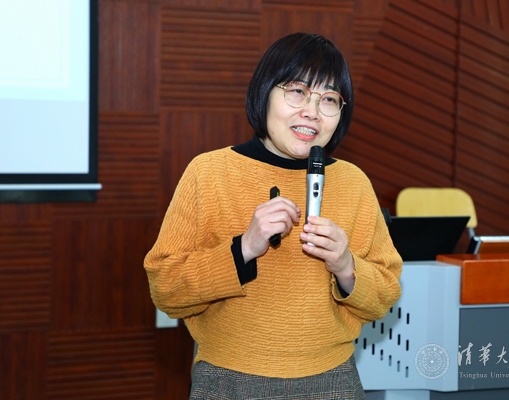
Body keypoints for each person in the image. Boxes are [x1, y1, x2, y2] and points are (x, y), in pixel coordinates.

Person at [144, 32, 402, 399]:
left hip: (333, 380)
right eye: (297, 91)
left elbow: (386, 293)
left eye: (329, 99)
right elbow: (166, 289)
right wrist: (243, 249)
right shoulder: (209, 172)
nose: (312, 112)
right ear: (265, 92)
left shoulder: (353, 182)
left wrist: (347, 267)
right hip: (229, 380)